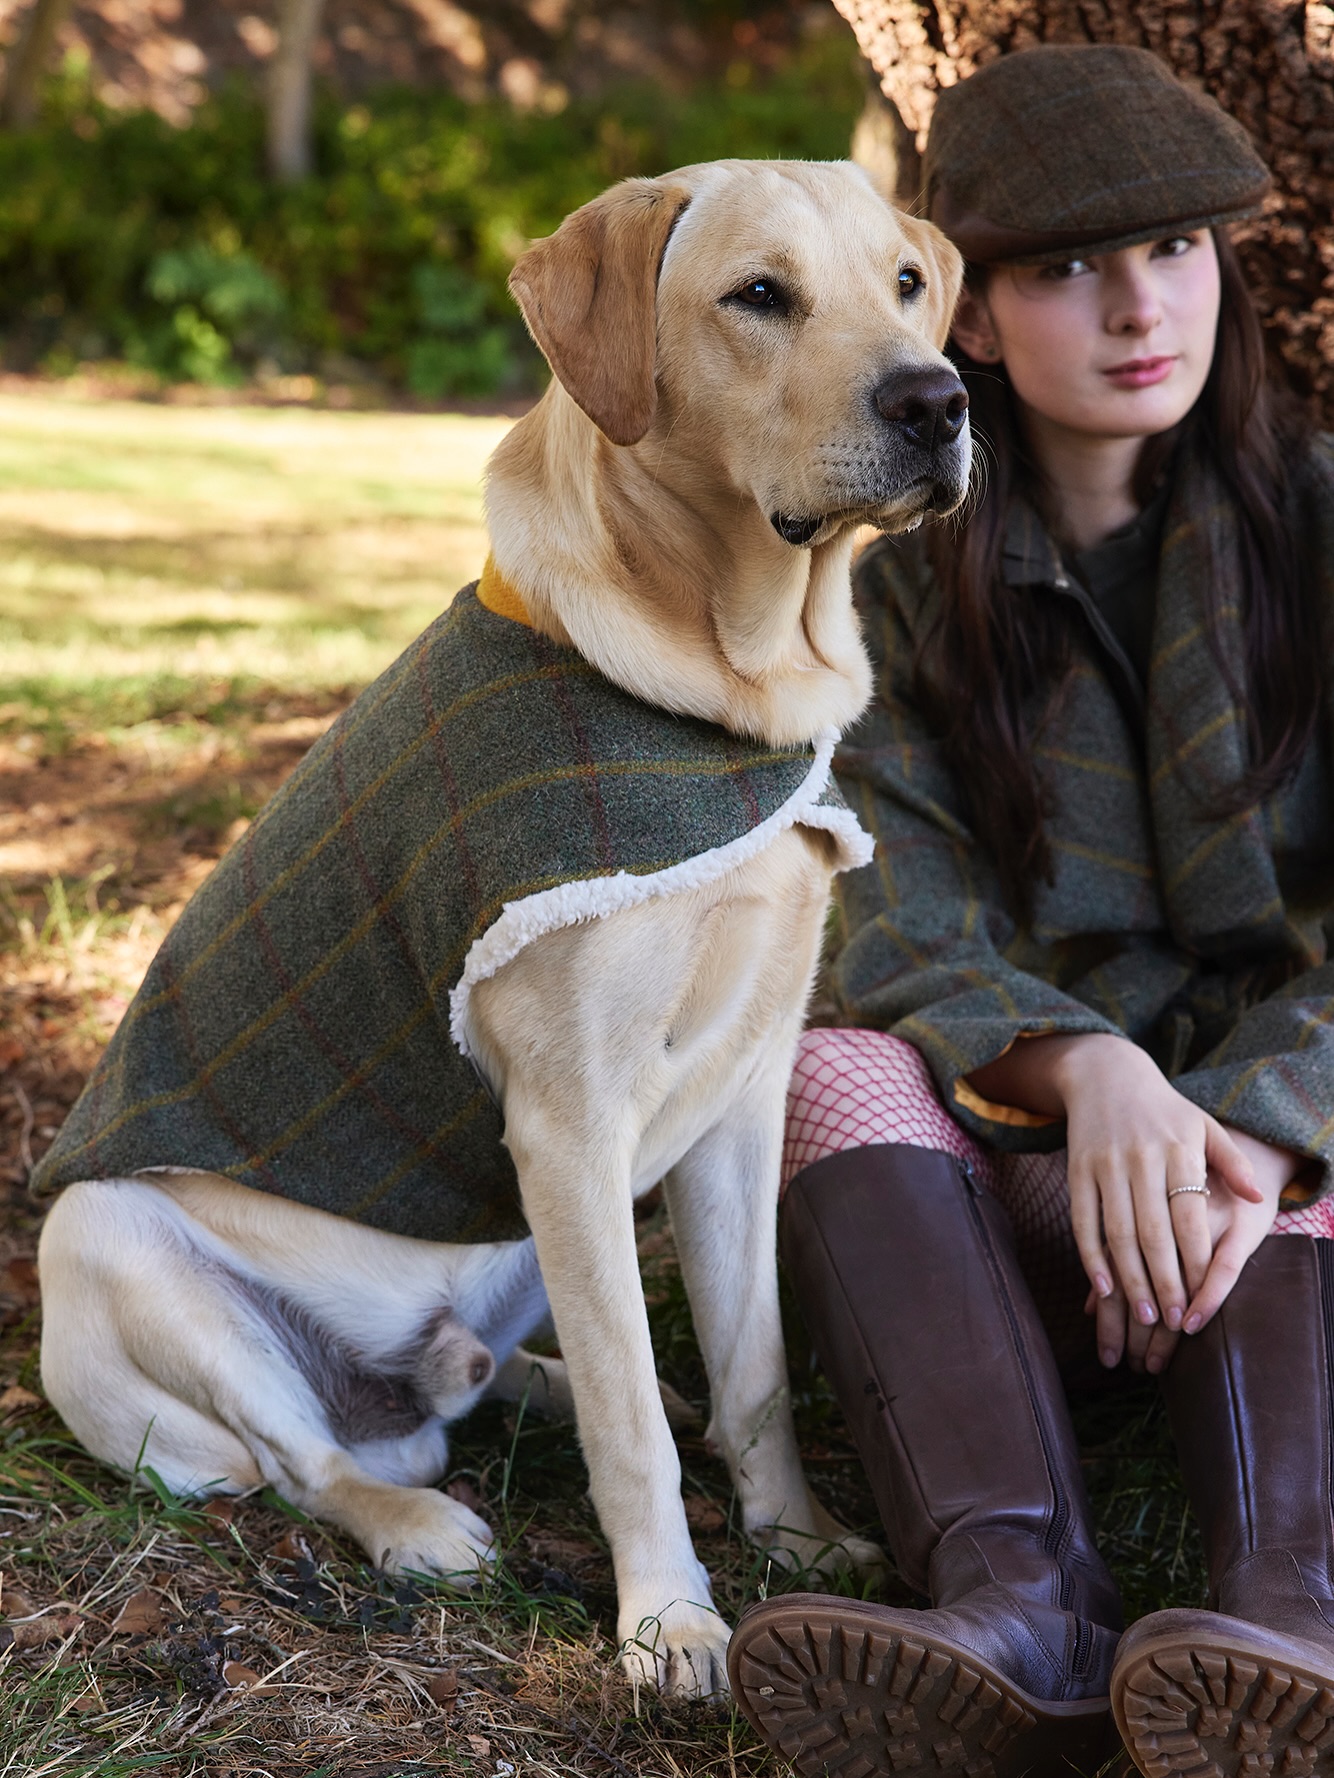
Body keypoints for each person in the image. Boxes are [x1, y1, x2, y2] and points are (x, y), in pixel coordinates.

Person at [727, 43, 1334, 1778]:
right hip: (1025, 1193)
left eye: (1174, 252)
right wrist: (1084, 1075)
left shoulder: (1313, 526)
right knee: (822, 1059)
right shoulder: (895, 592)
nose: (1138, 306)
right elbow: (883, 903)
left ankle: (1288, 1620)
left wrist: (1253, 1130)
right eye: (1065, 267)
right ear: (971, 321)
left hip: (1274, 1199)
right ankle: (1015, 1604)